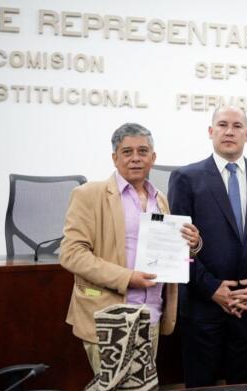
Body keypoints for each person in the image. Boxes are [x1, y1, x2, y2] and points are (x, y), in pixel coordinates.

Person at [60, 122, 200, 373]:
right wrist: (127, 278)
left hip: (151, 317)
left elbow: (166, 251)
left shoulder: (160, 199)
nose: (135, 158)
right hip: (110, 319)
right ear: (115, 158)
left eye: (142, 151)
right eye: (127, 152)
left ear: (153, 157)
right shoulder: (89, 194)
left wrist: (191, 244)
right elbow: (72, 254)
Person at [168, 105, 247, 387]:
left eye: (236, 126)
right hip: (202, 306)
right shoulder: (186, 178)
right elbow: (176, 246)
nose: (229, 131)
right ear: (211, 132)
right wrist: (211, 288)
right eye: (222, 125)